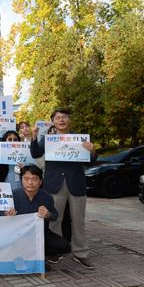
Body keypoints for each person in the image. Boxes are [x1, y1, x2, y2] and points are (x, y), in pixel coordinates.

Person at [30, 107, 97, 270]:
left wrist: (92, 150)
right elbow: (35, 153)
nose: (61, 120)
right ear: (53, 122)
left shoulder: (79, 139)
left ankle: (81, 253)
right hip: (54, 184)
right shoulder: (48, 139)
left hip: (76, 183)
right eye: (58, 117)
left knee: (78, 221)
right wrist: (33, 137)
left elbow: (90, 161)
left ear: (69, 120)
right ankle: (56, 250)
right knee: (54, 219)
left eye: (64, 117)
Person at [0, 165, 71, 270]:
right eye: (26, 179)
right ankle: (20, 257)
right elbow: (0, 214)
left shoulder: (47, 197)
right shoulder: (12, 195)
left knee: (64, 246)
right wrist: (7, 215)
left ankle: (39, 257)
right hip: (17, 234)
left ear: (40, 181)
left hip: (39, 234)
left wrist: (48, 214)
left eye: (34, 179)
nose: (30, 182)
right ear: (21, 180)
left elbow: (55, 215)